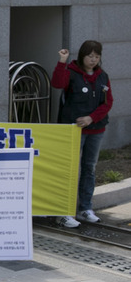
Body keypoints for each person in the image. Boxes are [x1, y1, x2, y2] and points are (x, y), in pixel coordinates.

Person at [52, 41, 114, 228]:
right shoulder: (71, 72)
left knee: (89, 168)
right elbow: (57, 83)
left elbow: (107, 102)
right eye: (90, 56)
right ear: (82, 56)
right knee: (68, 169)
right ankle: (62, 211)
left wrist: (91, 118)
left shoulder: (102, 76)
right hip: (72, 130)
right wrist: (62, 61)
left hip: (96, 129)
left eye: (97, 56)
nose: (93, 60)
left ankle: (85, 208)